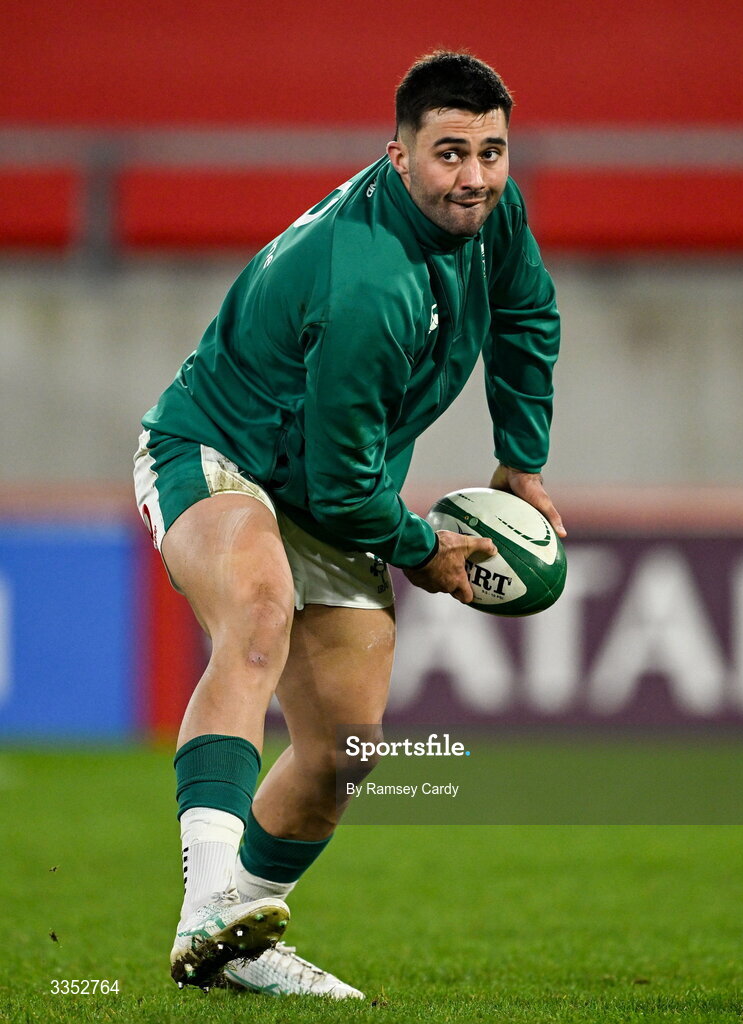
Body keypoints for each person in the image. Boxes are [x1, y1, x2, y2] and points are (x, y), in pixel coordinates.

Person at [133, 48, 565, 998]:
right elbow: (337, 490)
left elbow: (528, 313)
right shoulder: (370, 282)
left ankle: (233, 950)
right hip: (222, 454)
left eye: (492, 151)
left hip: (335, 486)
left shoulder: (494, 215)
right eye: (450, 154)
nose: (477, 177)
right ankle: (208, 895)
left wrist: (520, 456)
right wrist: (426, 553)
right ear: (399, 155)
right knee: (256, 618)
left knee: (341, 758)